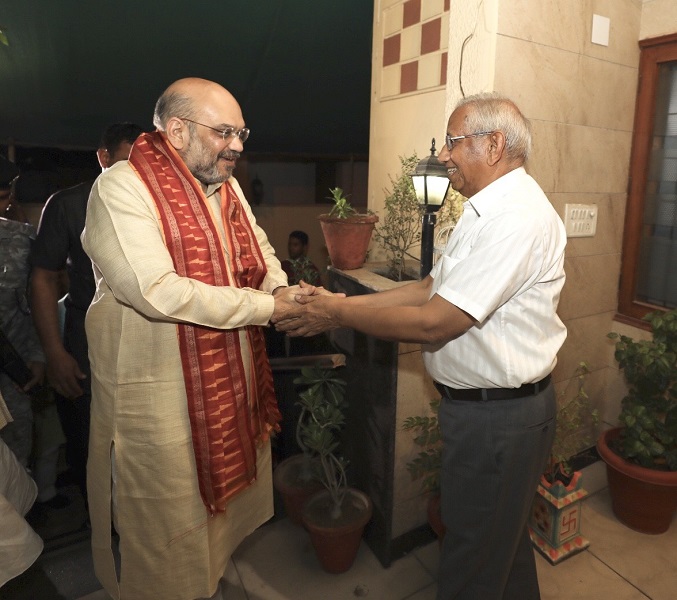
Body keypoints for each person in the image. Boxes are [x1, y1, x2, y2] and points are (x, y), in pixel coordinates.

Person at [275, 93, 567, 600]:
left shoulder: (516, 217)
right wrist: (338, 299)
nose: (446, 155)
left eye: (455, 141)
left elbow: (435, 323)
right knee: (501, 551)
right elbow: (429, 288)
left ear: (494, 144)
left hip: (499, 423)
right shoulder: (483, 211)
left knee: (471, 566)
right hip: (487, 417)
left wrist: (335, 314)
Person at [80, 78, 314, 600]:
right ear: (178, 130)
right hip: (156, 398)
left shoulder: (226, 190)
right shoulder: (121, 187)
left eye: (242, 132)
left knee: (218, 531)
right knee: (164, 533)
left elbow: (261, 254)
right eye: (225, 132)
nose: (238, 145)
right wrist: (268, 307)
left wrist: (286, 292)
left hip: (226, 391)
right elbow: (155, 292)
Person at [30, 122, 144, 505]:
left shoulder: (158, 206)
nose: (135, 175)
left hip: (145, 335)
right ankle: (100, 528)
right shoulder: (68, 204)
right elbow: (43, 278)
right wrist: (55, 353)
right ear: (103, 158)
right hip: (87, 334)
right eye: (125, 164)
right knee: (89, 436)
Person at [0, 157, 45, 468]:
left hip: (11, 373)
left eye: (3, 196)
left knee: (16, 467)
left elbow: (34, 306)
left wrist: (39, 356)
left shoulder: (20, 240)